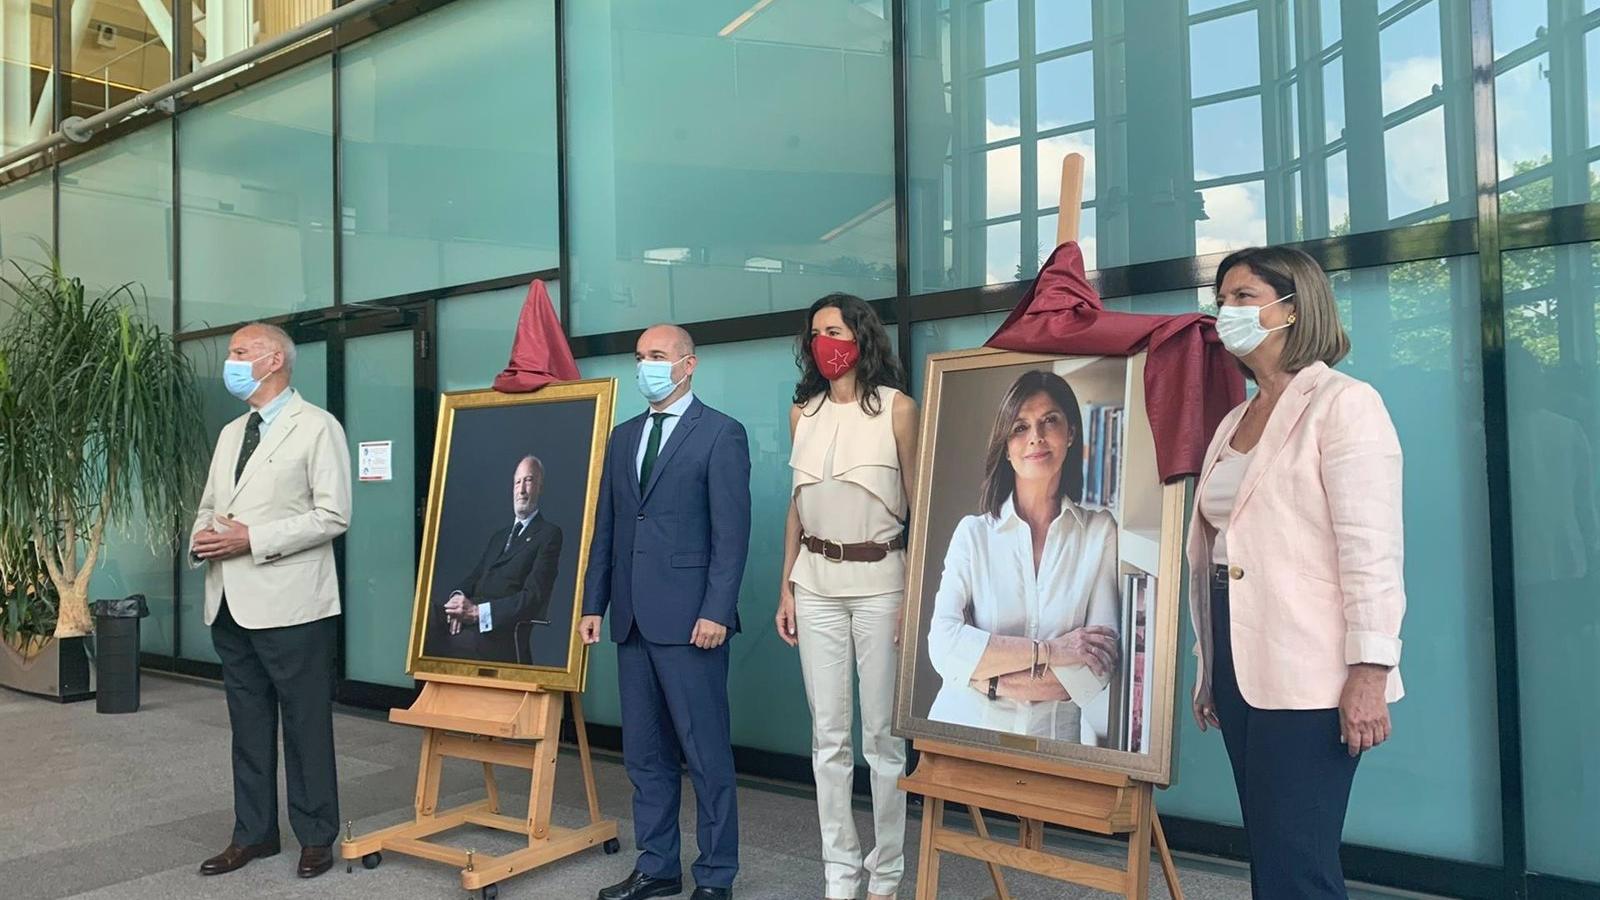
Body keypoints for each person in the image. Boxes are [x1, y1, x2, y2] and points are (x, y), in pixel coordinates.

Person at [1189, 245, 1406, 898]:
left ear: (1293, 307)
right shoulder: (1235, 418)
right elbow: (1223, 545)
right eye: (1221, 299)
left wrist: (1370, 670)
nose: (1226, 311)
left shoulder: (1345, 404)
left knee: (1298, 863)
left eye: (1243, 297)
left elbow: (1371, 550)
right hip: (1238, 653)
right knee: (1271, 849)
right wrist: (1211, 667)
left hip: (1311, 667)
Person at [580, 324, 752, 900]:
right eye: (640, 357)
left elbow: (731, 537)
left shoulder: (721, 434)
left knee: (706, 756)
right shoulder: (623, 437)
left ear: (688, 364)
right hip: (631, 619)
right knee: (645, 756)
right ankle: (657, 867)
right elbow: (606, 528)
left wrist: (717, 611)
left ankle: (716, 876)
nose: (646, 366)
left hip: (692, 624)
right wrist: (592, 603)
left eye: (657, 356)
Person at [187, 322, 351, 880]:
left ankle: (315, 835)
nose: (230, 362)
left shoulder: (317, 427)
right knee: (248, 725)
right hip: (230, 601)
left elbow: (333, 515)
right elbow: (210, 506)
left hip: (293, 604)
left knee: (305, 724)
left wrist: (252, 539)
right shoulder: (233, 432)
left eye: (239, 352)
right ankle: (252, 834)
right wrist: (202, 541)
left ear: (273, 358)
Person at [774, 294, 916, 900]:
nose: (822, 343)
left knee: (882, 739)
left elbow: (923, 502)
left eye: (833, 330)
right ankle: (839, 871)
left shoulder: (897, 410)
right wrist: (785, 585)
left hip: (884, 582)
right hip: (816, 585)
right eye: (814, 334)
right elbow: (797, 506)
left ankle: (885, 875)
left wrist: (917, 593)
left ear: (861, 336)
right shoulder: (800, 412)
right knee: (828, 738)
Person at [926, 369, 1121, 742]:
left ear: (1071, 434)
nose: (1036, 437)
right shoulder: (973, 534)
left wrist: (987, 677)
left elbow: (1094, 668)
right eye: (1020, 427)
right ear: (1006, 446)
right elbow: (944, 647)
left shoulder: (1099, 533)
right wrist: (1055, 650)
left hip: (1052, 748)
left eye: (1050, 421)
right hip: (965, 736)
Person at [427, 454, 563, 664]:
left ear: (540, 487)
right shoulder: (499, 537)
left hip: (500, 632)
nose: (522, 489)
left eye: (528, 480)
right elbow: (475, 578)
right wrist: (457, 599)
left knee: (438, 644)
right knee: (426, 619)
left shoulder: (548, 535)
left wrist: (476, 613)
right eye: (517, 482)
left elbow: (533, 597)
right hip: (471, 620)